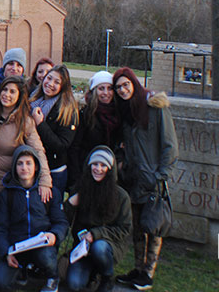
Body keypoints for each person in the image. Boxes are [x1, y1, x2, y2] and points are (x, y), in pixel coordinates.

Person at [113, 68, 178, 291]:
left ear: (134, 83)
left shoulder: (154, 107)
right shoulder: (126, 113)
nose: (122, 90)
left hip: (153, 178)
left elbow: (169, 144)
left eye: (125, 85)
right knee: (138, 227)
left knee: (153, 226)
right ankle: (138, 269)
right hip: (132, 178)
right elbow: (123, 145)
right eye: (118, 87)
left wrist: (161, 175)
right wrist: (122, 164)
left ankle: (149, 272)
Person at [0, 76, 52, 276]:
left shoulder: (25, 121)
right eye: (5, 90)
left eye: (13, 92)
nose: (7, 95)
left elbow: (38, 151)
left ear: (20, 96)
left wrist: (45, 180)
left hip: (6, 180)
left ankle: (1, 256)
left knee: (1, 219)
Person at [0, 145, 68, 292]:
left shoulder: (49, 192)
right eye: (20, 163)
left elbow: (61, 222)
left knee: (45, 256)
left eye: (28, 163)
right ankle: (23, 271)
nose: (24, 168)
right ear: (14, 167)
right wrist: (6, 252)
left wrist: (54, 235)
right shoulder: (6, 195)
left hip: (41, 245)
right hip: (17, 247)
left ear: (36, 167)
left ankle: (52, 277)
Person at [65, 146, 132, 292]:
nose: (98, 169)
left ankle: (107, 277)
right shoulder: (80, 189)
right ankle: (93, 273)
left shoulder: (121, 196)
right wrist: (70, 204)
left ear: (110, 169)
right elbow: (65, 221)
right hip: (82, 248)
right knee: (73, 284)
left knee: (99, 247)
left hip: (107, 245)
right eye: (95, 164)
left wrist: (95, 234)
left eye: (103, 165)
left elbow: (124, 229)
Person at [68, 71, 122, 193]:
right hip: (87, 172)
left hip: (109, 174)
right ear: (94, 91)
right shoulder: (85, 115)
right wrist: (77, 179)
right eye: (101, 88)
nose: (106, 93)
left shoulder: (118, 115)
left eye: (109, 88)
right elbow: (74, 148)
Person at [30, 65, 79, 194]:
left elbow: (62, 145)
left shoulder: (67, 110)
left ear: (63, 87)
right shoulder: (33, 100)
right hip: (31, 165)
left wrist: (40, 124)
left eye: (57, 82)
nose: (50, 84)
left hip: (54, 170)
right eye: (49, 78)